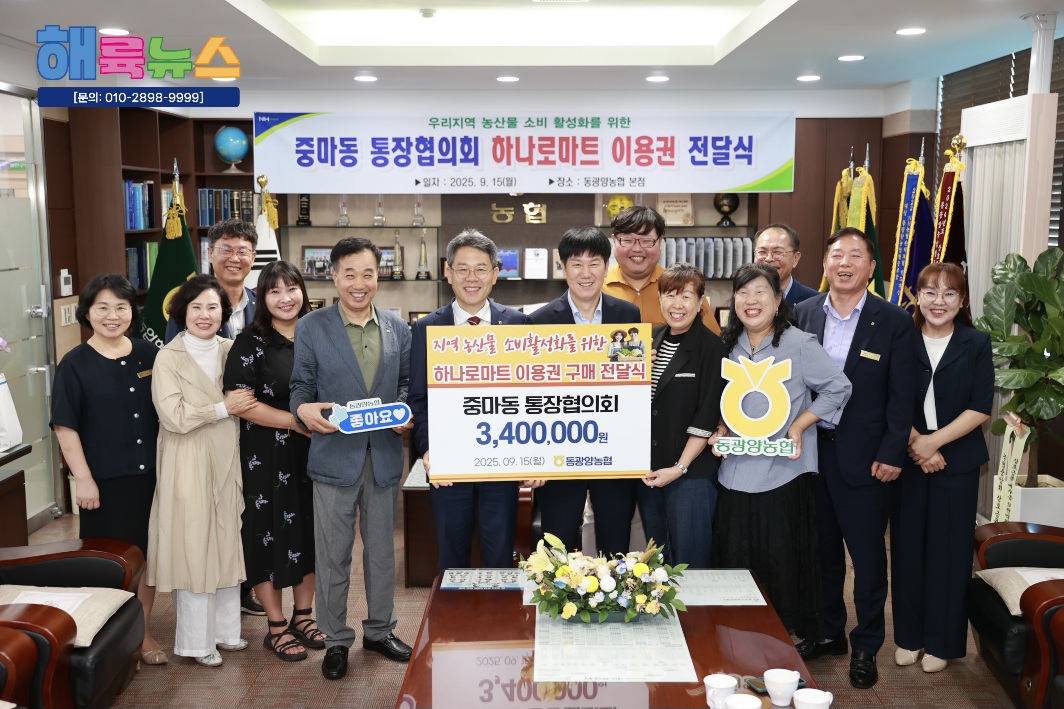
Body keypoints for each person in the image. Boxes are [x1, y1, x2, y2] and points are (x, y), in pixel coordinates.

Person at [793, 227, 916, 689]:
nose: (844, 263)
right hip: (811, 455)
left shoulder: (894, 320)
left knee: (866, 559)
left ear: (870, 266)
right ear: (824, 263)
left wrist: (892, 452)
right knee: (820, 553)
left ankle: (866, 644)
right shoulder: (802, 313)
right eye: (836, 255)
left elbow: (902, 395)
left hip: (867, 460)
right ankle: (829, 632)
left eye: (855, 256)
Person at [289, 237, 414, 680]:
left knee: (382, 554)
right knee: (332, 556)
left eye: (368, 274)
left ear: (378, 276)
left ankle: (380, 631)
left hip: (383, 458)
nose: (359, 283)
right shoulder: (312, 326)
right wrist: (302, 410)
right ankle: (336, 640)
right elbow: (301, 387)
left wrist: (404, 412)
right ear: (334, 276)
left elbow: (404, 384)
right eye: (349, 274)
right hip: (333, 459)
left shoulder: (398, 328)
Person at [712, 263, 851, 643]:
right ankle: (737, 637)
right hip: (734, 471)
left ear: (777, 301)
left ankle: (783, 639)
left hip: (783, 473)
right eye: (743, 292)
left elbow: (838, 387)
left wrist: (800, 424)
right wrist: (721, 425)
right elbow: (719, 398)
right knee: (737, 557)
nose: (751, 300)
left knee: (781, 560)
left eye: (761, 292)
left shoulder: (800, 344)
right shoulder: (727, 344)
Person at [50, 274, 167, 665]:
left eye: (121, 306)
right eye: (102, 307)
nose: (112, 315)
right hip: (103, 483)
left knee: (148, 559)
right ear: (88, 312)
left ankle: (142, 632)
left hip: (153, 478)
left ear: (132, 311)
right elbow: (65, 427)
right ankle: (106, 637)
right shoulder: (74, 364)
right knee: (110, 562)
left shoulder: (149, 354)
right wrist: (83, 479)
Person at [147, 275, 257, 667]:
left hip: (227, 454)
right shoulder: (168, 357)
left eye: (213, 307)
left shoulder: (232, 349)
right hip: (186, 458)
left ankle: (226, 632)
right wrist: (223, 408)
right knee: (195, 546)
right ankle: (196, 642)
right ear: (183, 312)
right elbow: (173, 416)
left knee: (226, 538)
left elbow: (251, 399)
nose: (205, 315)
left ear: (224, 313)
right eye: (196, 307)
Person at [890, 263, 993, 673]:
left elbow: (980, 407)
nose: (939, 301)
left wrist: (934, 442)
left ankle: (941, 642)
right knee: (907, 548)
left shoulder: (975, 342)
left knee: (949, 553)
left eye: (949, 293)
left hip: (958, 462)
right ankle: (909, 637)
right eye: (930, 292)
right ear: (917, 296)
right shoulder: (902, 338)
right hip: (909, 458)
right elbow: (889, 396)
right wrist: (917, 441)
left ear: (962, 300)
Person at [409, 229, 532, 571]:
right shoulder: (426, 328)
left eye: (481, 268)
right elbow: (418, 398)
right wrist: (429, 450)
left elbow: (530, 396)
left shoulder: (519, 324)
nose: (472, 278)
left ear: (496, 273)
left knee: (500, 556)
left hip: (503, 462)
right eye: (462, 269)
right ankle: (452, 609)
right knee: (451, 557)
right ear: (448, 272)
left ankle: (499, 608)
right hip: (449, 462)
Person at [222, 261, 325, 662]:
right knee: (266, 531)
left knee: (309, 530)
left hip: (316, 450)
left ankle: (304, 615)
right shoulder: (251, 342)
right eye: (274, 291)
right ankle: (276, 625)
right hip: (267, 453)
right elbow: (241, 403)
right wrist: (295, 421)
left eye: (292, 288)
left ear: (303, 291)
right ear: (262, 298)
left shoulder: (318, 335)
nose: (285, 298)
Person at [163, 217, 263, 616]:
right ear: (210, 253)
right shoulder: (188, 303)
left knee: (245, 510)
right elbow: (179, 368)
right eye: (226, 249)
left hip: (257, 428)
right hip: (205, 432)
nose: (234, 258)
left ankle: (242, 585)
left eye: (243, 251)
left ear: (253, 257)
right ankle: (211, 595)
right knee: (207, 514)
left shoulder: (263, 303)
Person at [528, 226, 641, 557]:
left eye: (594, 263)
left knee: (615, 546)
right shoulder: (539, 321)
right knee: (557, 544)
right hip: (559, 451)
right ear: (563, 268)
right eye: (576, 264)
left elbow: (629, 381)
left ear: (607, 267)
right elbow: (533, 392)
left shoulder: (627, 315)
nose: (586, 273)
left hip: (614, 449)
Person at [639, 262, 726, 569]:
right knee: (656, 567)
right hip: (649, 473)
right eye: (670, 295)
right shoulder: (649, 340)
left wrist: (679, 468)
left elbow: (706, 415)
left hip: (690, 476)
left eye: (686, 296)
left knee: (691, 566)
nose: (677, 304)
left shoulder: (712, 348)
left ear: (701, 302)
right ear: (660, 299)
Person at [602, 205, 720, 334]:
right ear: (614, 241)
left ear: (660, 242)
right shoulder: (597, 288)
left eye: (646, 240)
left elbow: (712, 340)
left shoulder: (685, 286)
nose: (637, 249)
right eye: (627, 240)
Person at [753, 223, 818, 306]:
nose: (768, 259)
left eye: (777, 252)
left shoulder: (814, 302)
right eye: (762, 252)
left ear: (795, 258)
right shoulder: (742, 298)